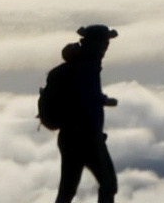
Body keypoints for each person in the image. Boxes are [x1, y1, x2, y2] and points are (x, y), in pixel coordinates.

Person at [55, 24, 119, 203]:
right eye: (104, 42)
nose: (106, 46)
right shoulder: (88, 65)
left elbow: (84, 95)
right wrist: (102, 101)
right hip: (86, 138)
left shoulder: (79, 64)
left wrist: (102, 99)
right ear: (95, 43)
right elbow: (87, 98)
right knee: (108, 184)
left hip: (70, 137)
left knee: (67, 191)